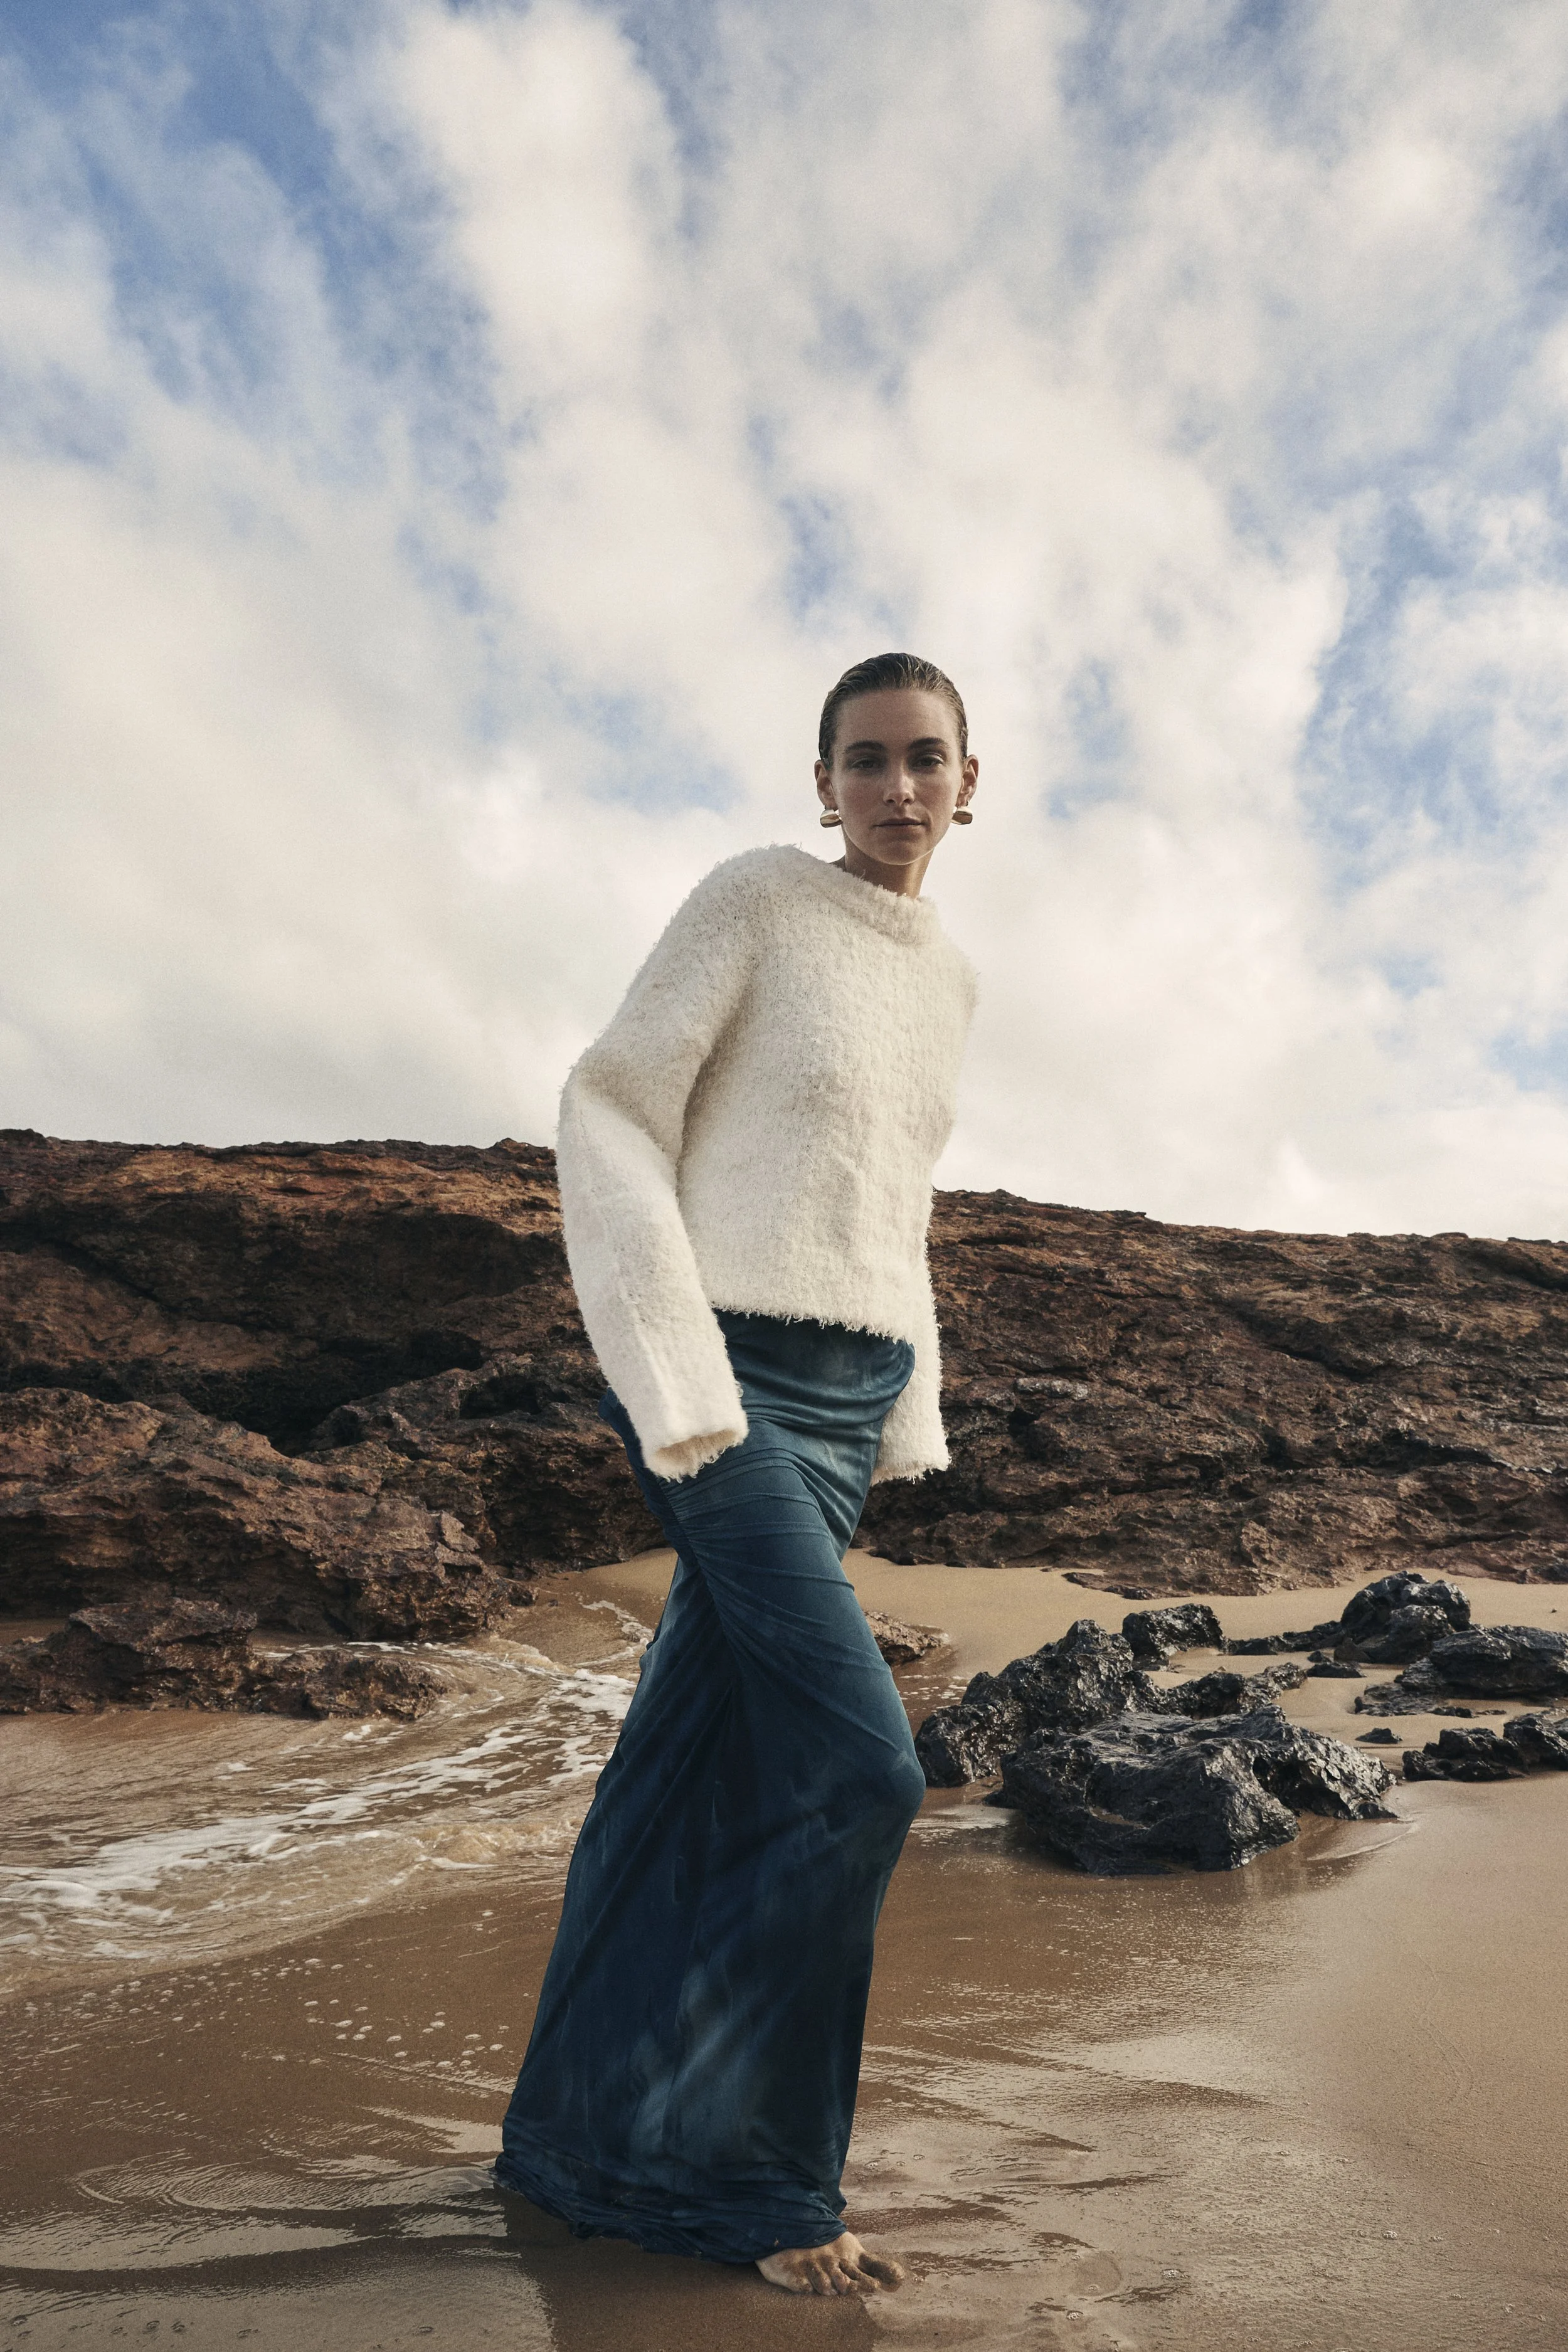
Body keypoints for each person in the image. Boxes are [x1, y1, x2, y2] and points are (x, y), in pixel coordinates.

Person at [494, 650, 979, 2296]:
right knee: (862, 1771)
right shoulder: (757, 901)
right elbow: (609, 1102)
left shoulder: (950, 979)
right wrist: (673, 1365)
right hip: (727, 1389)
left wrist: (902, 1399)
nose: (896, 787)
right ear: (823, 783)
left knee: (669, 1779)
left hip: (843, 1417)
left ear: (968, 781)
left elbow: (877, 1202)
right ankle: (758, 2189)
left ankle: (570, 2148)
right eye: (864, 760)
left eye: (924, 758)